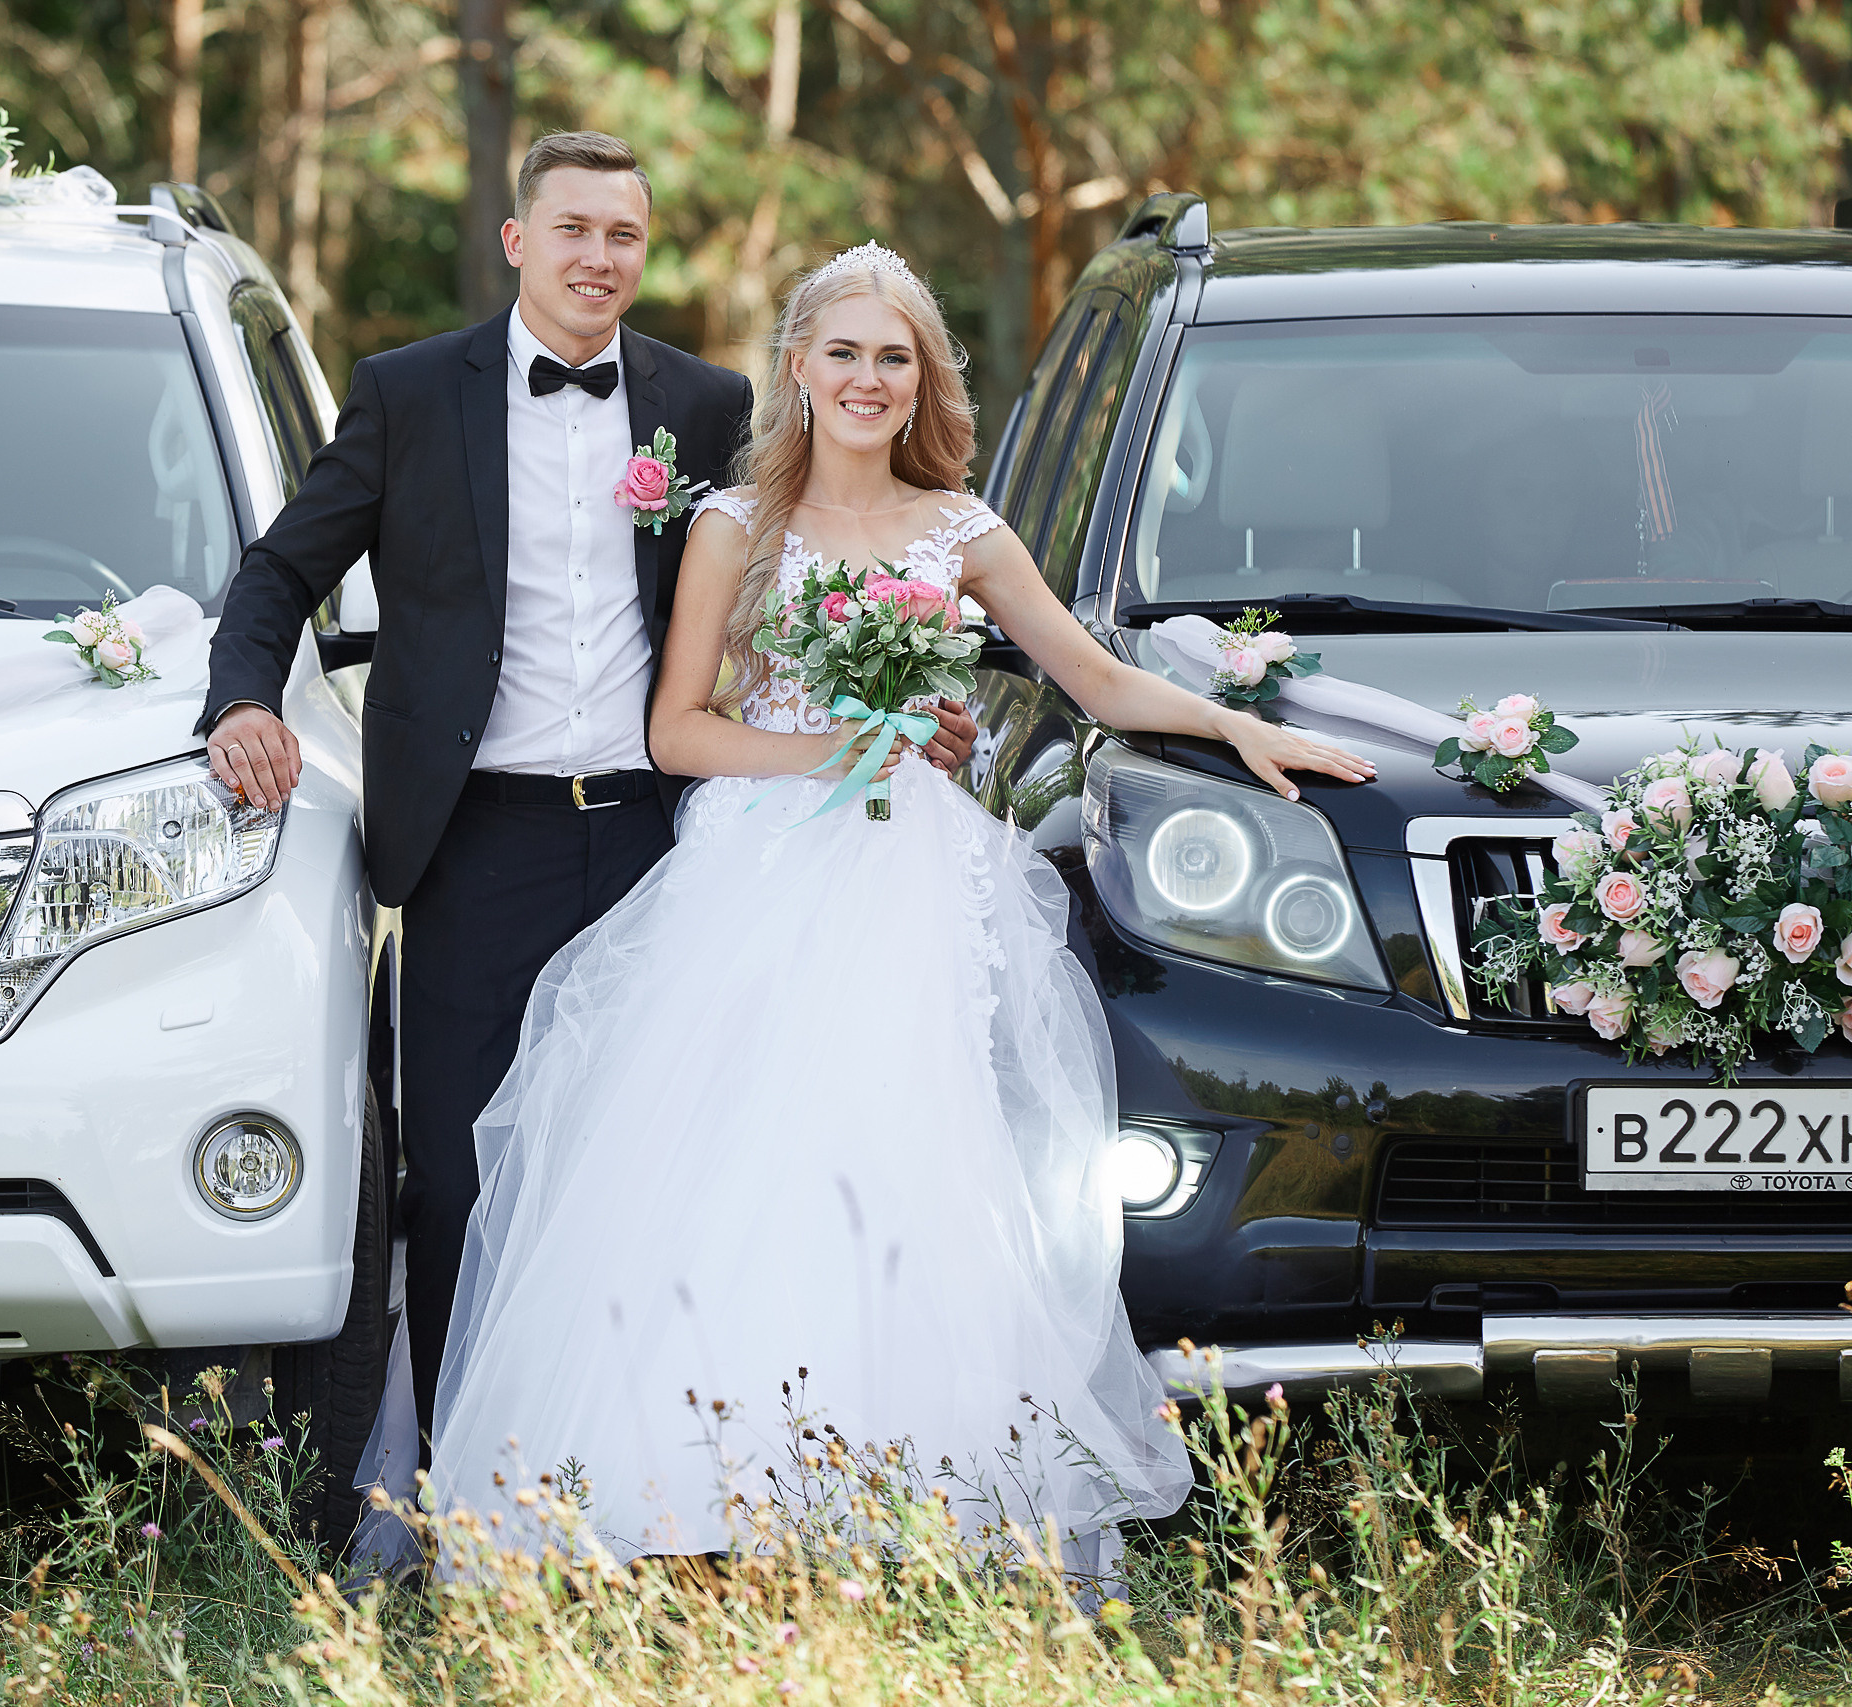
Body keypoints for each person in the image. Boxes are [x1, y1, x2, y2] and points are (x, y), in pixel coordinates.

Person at [421, 242, 1377, 1565]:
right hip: (759, 873)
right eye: (845, 353)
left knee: (915, 1158)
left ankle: (905, 1492)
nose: (869, 379)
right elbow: (680, 730)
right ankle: (713, 1489)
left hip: (918, 886)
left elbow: (1096, 684)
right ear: (799, 369)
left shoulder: (960, 529)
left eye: (895, 356)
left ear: (920, 377)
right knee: (743, 1166)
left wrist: (1235, 728)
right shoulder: (732, 526)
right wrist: (838, 748)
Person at [198, 135, 984, 1443]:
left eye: (623, 235)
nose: (597, 258)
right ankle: (460, 1501)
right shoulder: (406, 393)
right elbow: (282, 574)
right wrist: (238, 704)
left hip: (659, 844)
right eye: (572, 230)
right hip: (467, 847)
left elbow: (810, 589)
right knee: (452, 1180)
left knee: (644, 1177)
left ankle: (627, 1488)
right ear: (518, 242)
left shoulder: (709, 404)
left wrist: (908, 717)